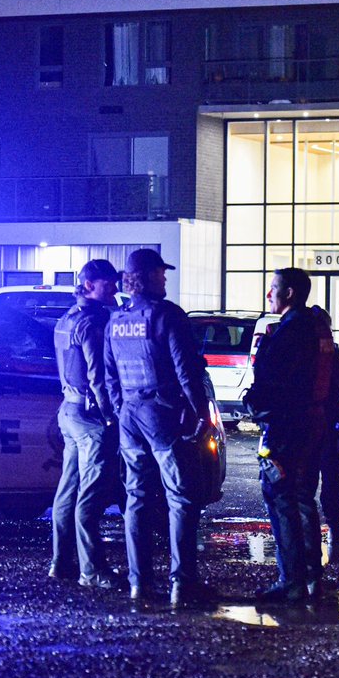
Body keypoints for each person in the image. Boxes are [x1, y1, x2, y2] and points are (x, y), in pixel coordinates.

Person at [104, 249, 212, 608]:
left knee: (136, 499)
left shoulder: (117, 319)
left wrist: (121, 411)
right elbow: (187, 371)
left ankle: (139, 583)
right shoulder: (167, 315)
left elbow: (109, 376)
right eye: (161, 273)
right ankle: (182, 584)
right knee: (181, 498)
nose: (165, 278)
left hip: (130, 416)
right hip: (163, 415)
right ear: (148, 276)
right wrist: (201, 414)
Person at [245, 268, 337, 603]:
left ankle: (291, 581)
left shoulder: (290, 332)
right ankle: (311, 577)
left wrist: (255, 403)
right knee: (302, 498)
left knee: (280, 497)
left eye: (274, 288)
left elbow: (273, 381)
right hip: (313, 423)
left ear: (290, 293)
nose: (269, 294)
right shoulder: (315, 327)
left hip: (287, 426)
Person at [49, 259, 122, 588]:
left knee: (68, 489)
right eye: (109, 284)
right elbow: (98, 377)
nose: (115, 289)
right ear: (90, 285)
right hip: (90, 417)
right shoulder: (93, 322)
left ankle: (61, 562)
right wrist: (109, 416)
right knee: (90, 494)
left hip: (69, 410)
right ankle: (92, 570)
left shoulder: (67, 318)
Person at [311, 306, 339, 560]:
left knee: (303, 482)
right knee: (330, 478)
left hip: (300, 423)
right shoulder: (328, 351)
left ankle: (305, 533)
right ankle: (334, 529)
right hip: (327, 421)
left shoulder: (293, 346)